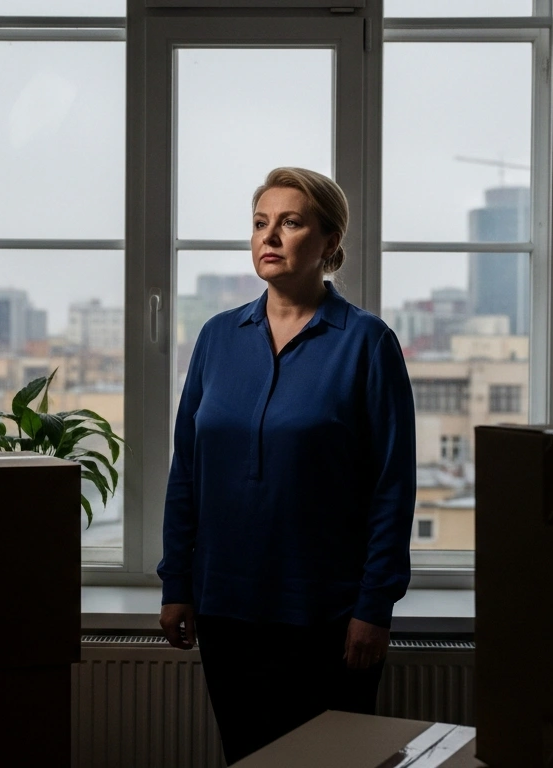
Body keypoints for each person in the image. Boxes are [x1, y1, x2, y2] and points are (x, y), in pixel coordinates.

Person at [157, 167, 417, 765]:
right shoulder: (217, 338)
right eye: (259, 223)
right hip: (226, 612)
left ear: (329, 243)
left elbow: (392, 488)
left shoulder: (367, 343)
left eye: (290, 222)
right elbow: (187, 473)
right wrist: (177, 583)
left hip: (325, 617)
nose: (269, 236)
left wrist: (374, 607)